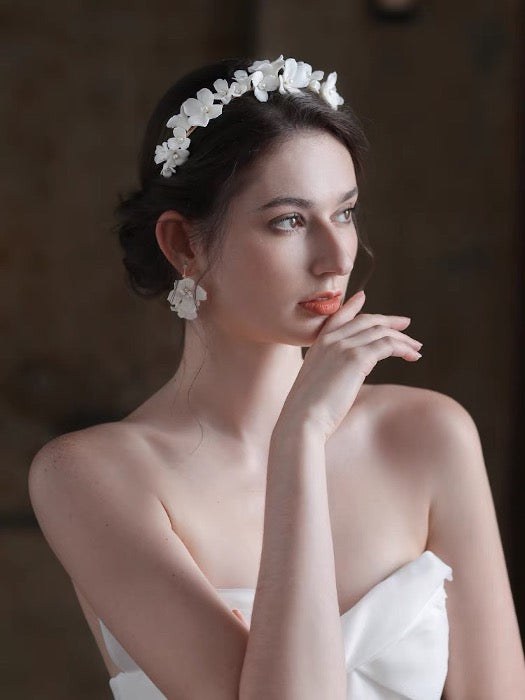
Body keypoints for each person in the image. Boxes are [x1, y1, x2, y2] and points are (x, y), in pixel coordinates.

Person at [28, 55, 525, 700]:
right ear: (184, 245)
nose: (334, 256)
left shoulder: (430, 433)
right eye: (289, 221)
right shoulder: (89, 477)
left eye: (344, 213)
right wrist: (300, 440)